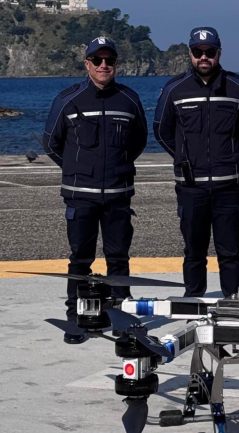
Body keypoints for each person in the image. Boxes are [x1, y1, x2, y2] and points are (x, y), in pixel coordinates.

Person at [42, 36, 147, 344]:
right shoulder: (68, 99)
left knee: (119, 257)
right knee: (80, 258)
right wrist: (76, 168)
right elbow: (51, 142)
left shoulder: (129, 100)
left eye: (109, 60)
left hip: (118, 194)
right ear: (87, 63)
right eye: (97, 60)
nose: (104, 66)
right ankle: (75, 317)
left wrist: (117, 166)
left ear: (116, 64)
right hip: (80, 195)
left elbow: (138, 140)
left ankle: (122, 316)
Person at [154, 27, 239, 298]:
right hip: (191, 187)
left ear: (218, 53)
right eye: (198, 52)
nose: (204, 57)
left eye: (209, 52)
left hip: (228, 187)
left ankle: (233, 302)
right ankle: (193, 301)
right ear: (190, 53)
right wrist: (183, 158)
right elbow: (162, 131)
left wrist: (230, 156)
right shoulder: (174, 89)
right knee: (193, 252)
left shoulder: (238, 87)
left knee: (230, 252)